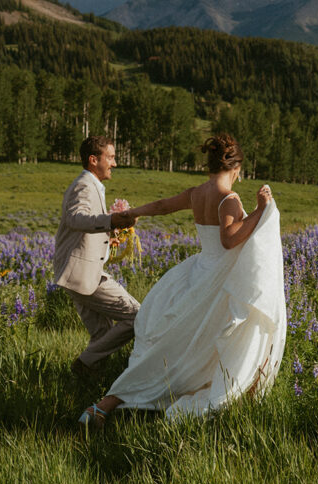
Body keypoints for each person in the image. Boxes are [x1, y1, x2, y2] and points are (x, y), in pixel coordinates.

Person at [78, 134, 286, 430]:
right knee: (204, 345)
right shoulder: (229, 198)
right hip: (218, 281)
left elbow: (163, 206)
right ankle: (123, 401)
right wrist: (261, 210)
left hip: (198, 274)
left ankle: (108, 404)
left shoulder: (197, 192)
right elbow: (229, 239)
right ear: (236, 168)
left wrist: (133, 212)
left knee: (184, 345)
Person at [54, 136, 140, 378]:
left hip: (79, 273)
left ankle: (87, 383)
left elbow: (82, 226)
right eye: (110, 157)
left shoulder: (91, 185)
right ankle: (84, 363)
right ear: (94, 160)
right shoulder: (84, 185)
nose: (114, 163)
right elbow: (76, 219)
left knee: (102, 334)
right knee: (136, 316)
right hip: (82, 275)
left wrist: (108, 237)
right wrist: (111, 220)